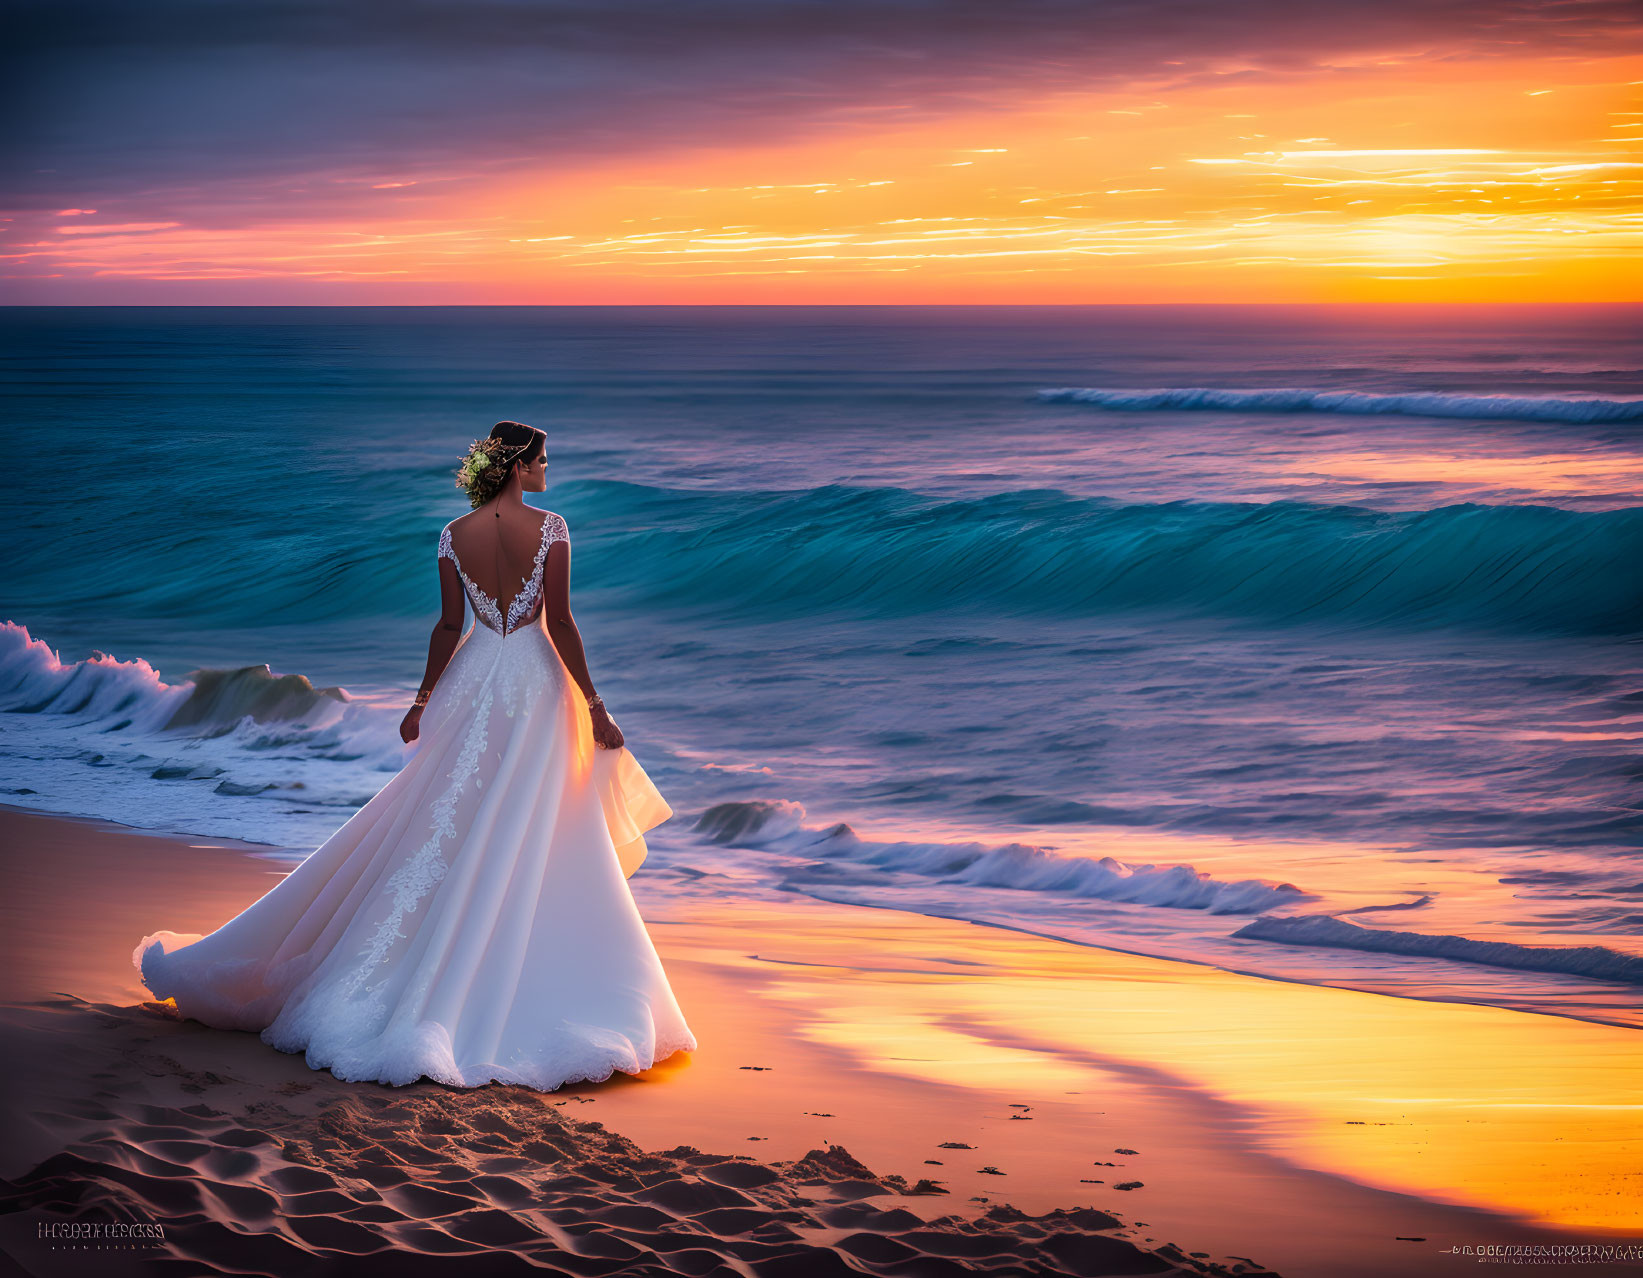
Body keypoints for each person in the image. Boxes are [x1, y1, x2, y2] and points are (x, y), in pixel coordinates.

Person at [134, 421, 696, 1091]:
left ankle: (422, 958)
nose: (548, 470)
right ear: (518, 468)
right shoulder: (552, 527)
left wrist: (422, 701)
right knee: (535, 823)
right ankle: (526, 972)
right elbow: (563, 622)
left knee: (450, 819)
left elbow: (449, 626)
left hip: (472, 681)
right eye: (542, 460)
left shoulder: (452, 535)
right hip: (536, 688)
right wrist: (597, 706)